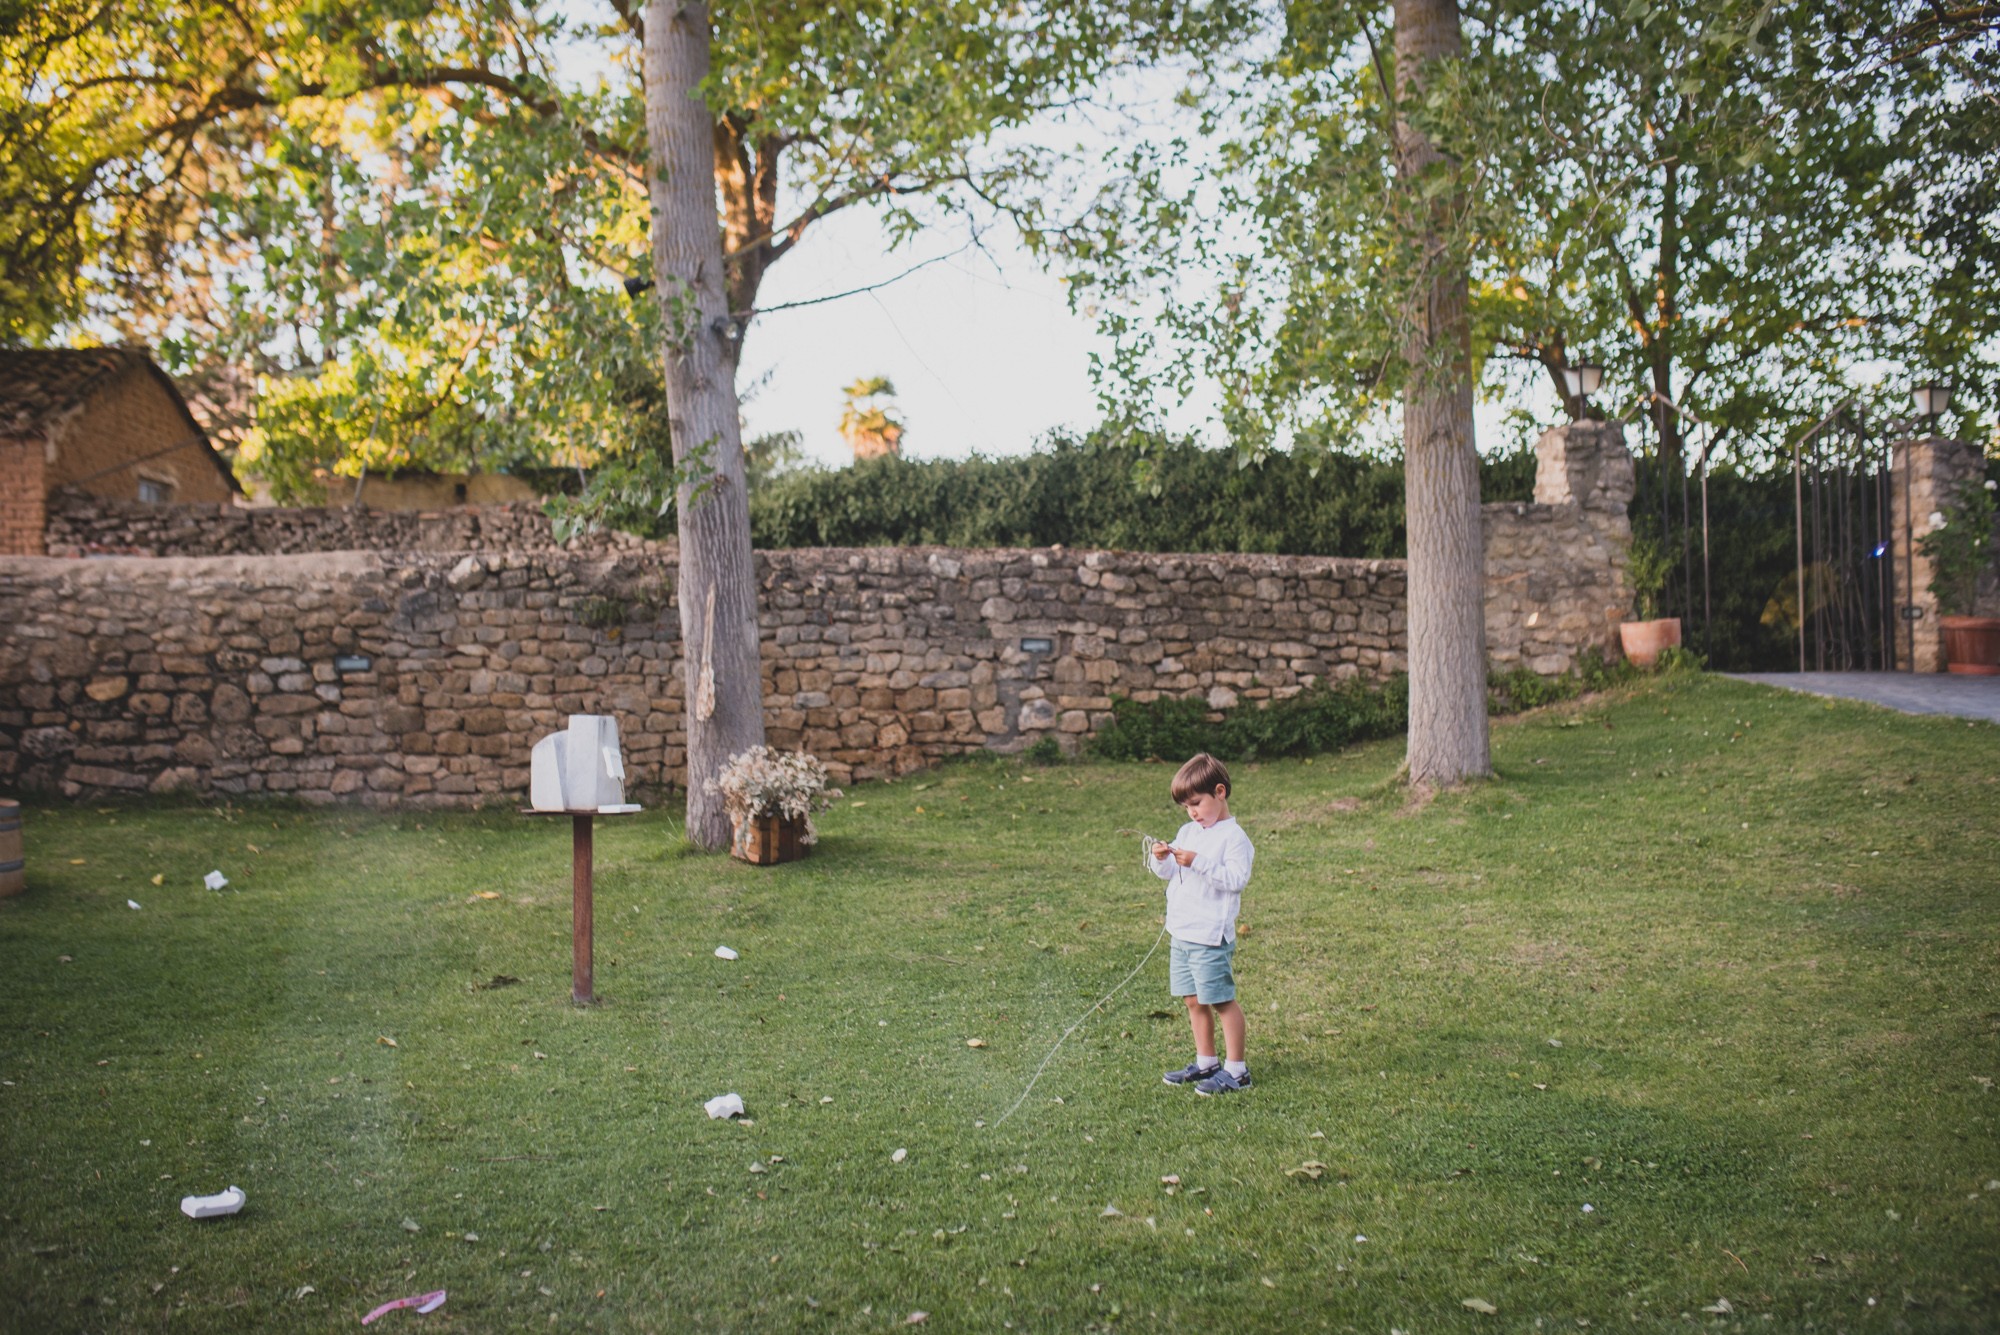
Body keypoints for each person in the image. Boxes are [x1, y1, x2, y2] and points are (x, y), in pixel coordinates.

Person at [1150, 752, 1255, 1095]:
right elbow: (1171, 873)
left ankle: (1237, 1071)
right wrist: (1161, 859)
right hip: (1182, 931)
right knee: (1193, 1000)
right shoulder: (1189, 831)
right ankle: (1206, 1061)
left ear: (1220, 792)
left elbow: (1236, 879)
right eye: (1186, 807)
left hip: (1209, 935)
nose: (1192, 812)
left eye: (1197, 803)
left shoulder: (1233, 838)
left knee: (1221, 1000)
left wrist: (1198, 862)